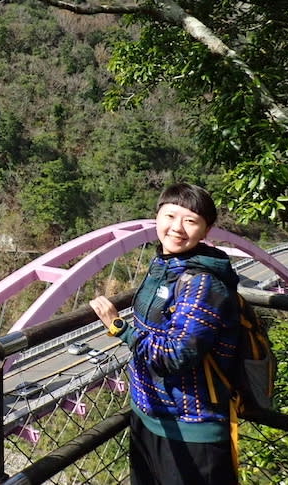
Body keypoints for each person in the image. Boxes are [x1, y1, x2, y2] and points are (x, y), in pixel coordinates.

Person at [89, 183, 240, 485]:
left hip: (191, 427)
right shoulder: (164, 263)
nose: (177, 228)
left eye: (190, 221)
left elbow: (175, 356)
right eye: (170, 216)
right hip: (150, 415)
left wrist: (119, 328)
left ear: (206, 229)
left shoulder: (201, 283)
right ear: (157, 217)